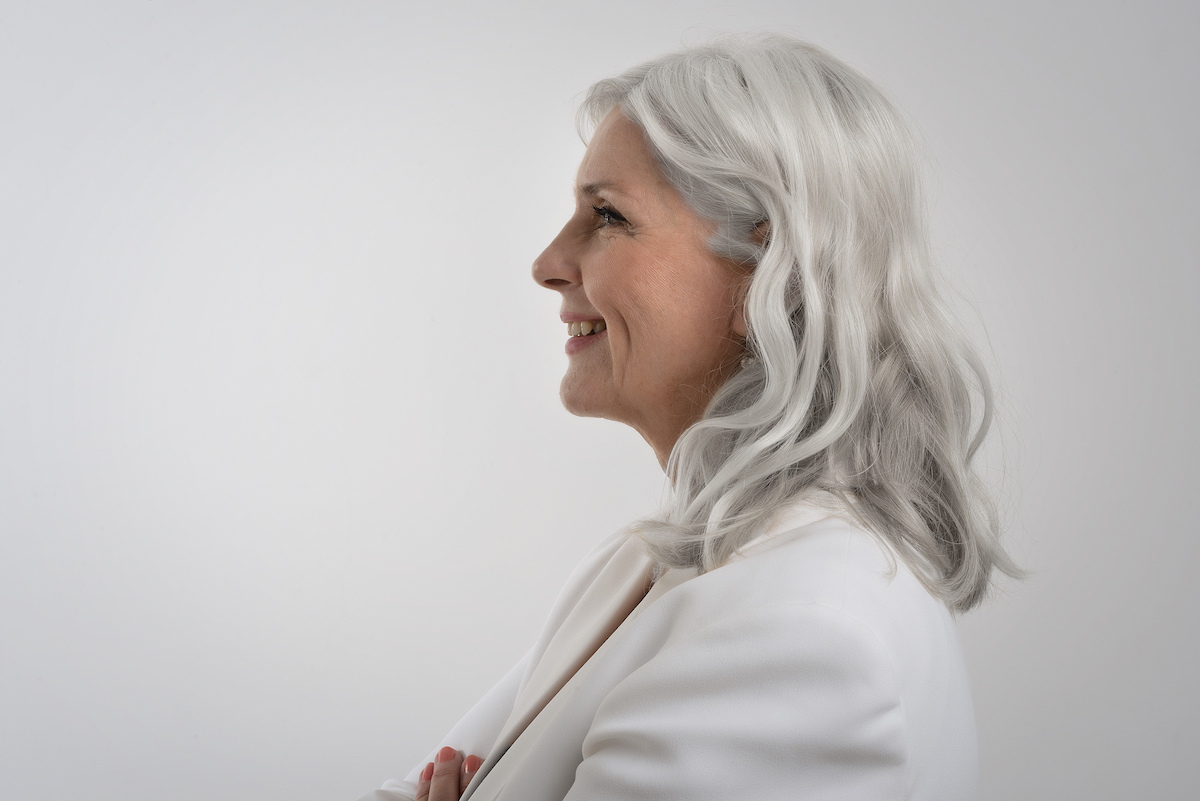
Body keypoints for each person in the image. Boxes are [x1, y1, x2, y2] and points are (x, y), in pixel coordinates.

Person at [360, 33, 1019, 801]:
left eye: (607, 215)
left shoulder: (800, 627)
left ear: (766, 274)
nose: (547, 261)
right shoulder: (653, 562)